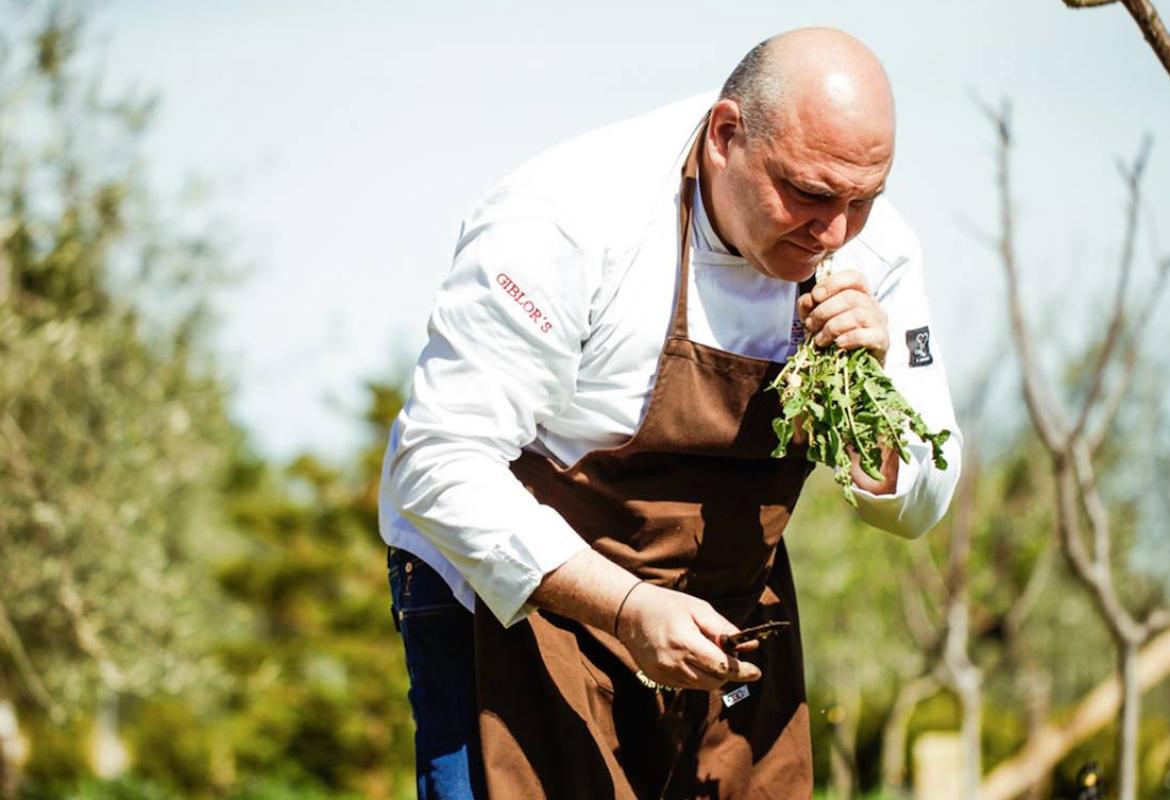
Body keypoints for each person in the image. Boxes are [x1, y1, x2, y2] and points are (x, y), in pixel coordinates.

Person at [380, 27, 962, 800]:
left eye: (863, 200)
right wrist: (627, 607)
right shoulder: (568, 220)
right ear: (726, 136)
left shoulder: (871, 248)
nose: (833, 233)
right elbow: (439, 464)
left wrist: (876, 391)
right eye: (808, 195)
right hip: (505, 597)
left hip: (723, 617)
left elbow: (918, 506)